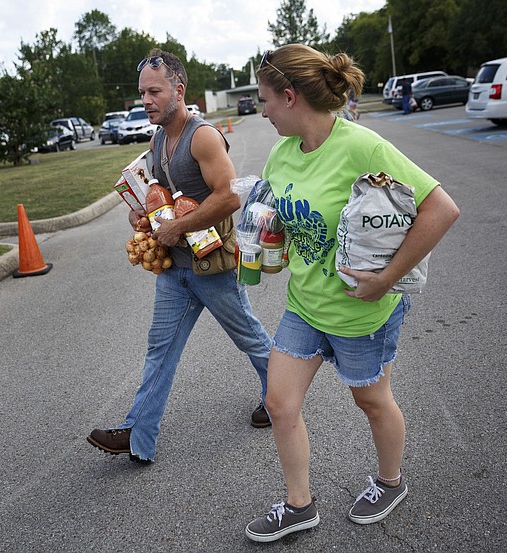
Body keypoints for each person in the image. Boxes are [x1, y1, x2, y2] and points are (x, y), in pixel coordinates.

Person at [243, 45, 460, 542]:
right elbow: (285, 213)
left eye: (265, 100)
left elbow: (441, 210)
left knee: (372, 402)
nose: (262, 110)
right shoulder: (281, 153)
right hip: (305, 305)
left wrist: (387, 278)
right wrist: (268, 231)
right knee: (279, 403)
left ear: (291, 97)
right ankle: (300, 506)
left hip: (362, 311)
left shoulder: (362, 146)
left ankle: (390, 482)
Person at [86, 49, 273, 463]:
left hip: (213, 268)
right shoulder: (157, 138)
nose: (146, 100)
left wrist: (177, 228)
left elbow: (229, 197)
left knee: (252, 340)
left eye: (154, 91)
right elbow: (168, 196)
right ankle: (138, 436)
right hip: (175, 271)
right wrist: (144, 213)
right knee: (160, 349)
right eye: (142, 93)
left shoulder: (202, 136)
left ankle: (281, 401)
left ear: (178, 89)